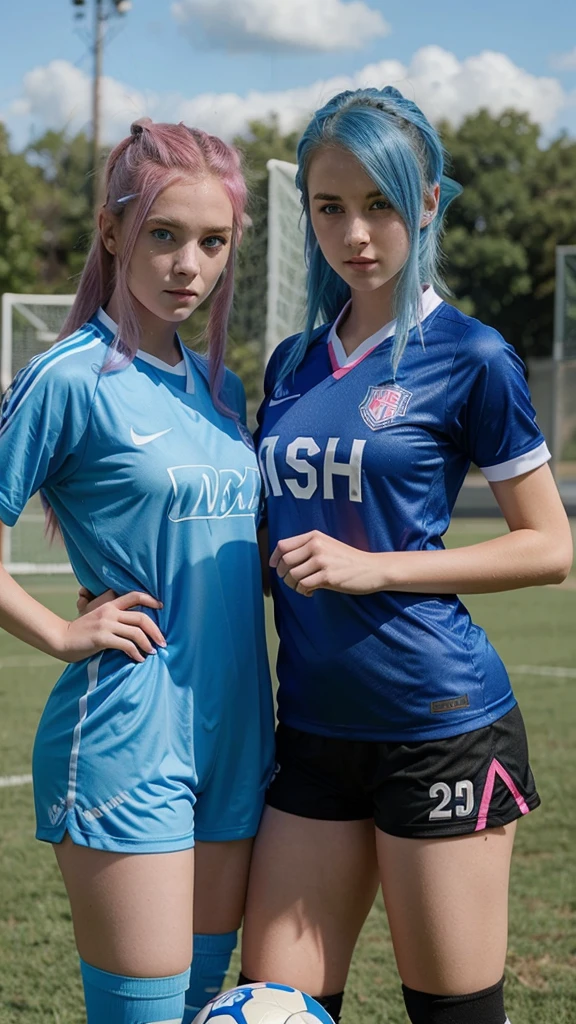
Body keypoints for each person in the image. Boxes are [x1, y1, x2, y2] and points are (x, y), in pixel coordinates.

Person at [238, 88, 573, 1024]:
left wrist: (372, 568)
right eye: (330, 206)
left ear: (427, 202)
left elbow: (551, 547)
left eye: (381, 203)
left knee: (452, 1014)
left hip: (438, 724)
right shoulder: (293, 363)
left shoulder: (472, 355)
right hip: (309, 731)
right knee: (270, 1010)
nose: (356, 232)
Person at [0, 119, 274, 1024]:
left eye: (212, 242)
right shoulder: (66, 377)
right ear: (114, 232)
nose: (189, 264)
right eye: (164, 234)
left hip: (237, 733)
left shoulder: (221, 389)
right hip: (129, 734)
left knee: (203, 1007)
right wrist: (61, 631)